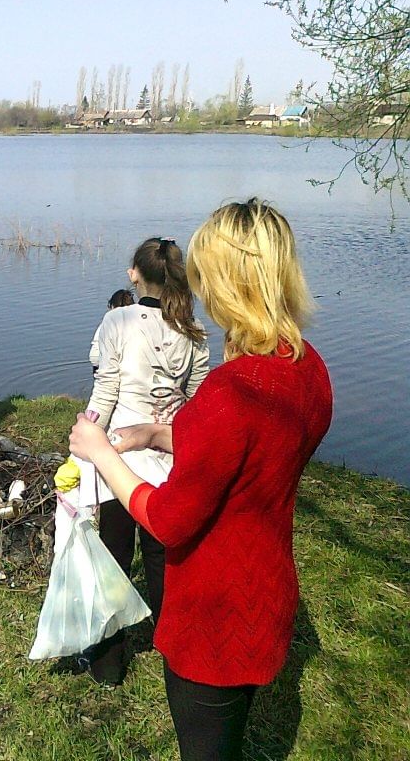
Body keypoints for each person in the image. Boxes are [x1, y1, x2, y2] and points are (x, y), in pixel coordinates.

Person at [69, 199, 332, 761]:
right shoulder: (306, 369)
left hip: (215, 618)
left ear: (229, 283)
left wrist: (101, 453)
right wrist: (159, 436)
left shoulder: (232, 390)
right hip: (268, 595)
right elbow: (254, 449)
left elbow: (169, 517)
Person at [81, 238, 209, 686]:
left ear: (135, 273)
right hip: (168, 456)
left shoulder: (118, 319)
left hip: (120, 452)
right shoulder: (191, 327)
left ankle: (108, 663)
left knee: (114, 555)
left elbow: (106, 387)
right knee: (162, 556)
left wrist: (86, 430)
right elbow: (196, 400)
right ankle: (173, 648)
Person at [88, 288, 136, 373]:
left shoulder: (105, 323)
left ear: (112, 306)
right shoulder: (130, 323)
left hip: (97, 361)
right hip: (108, 362)